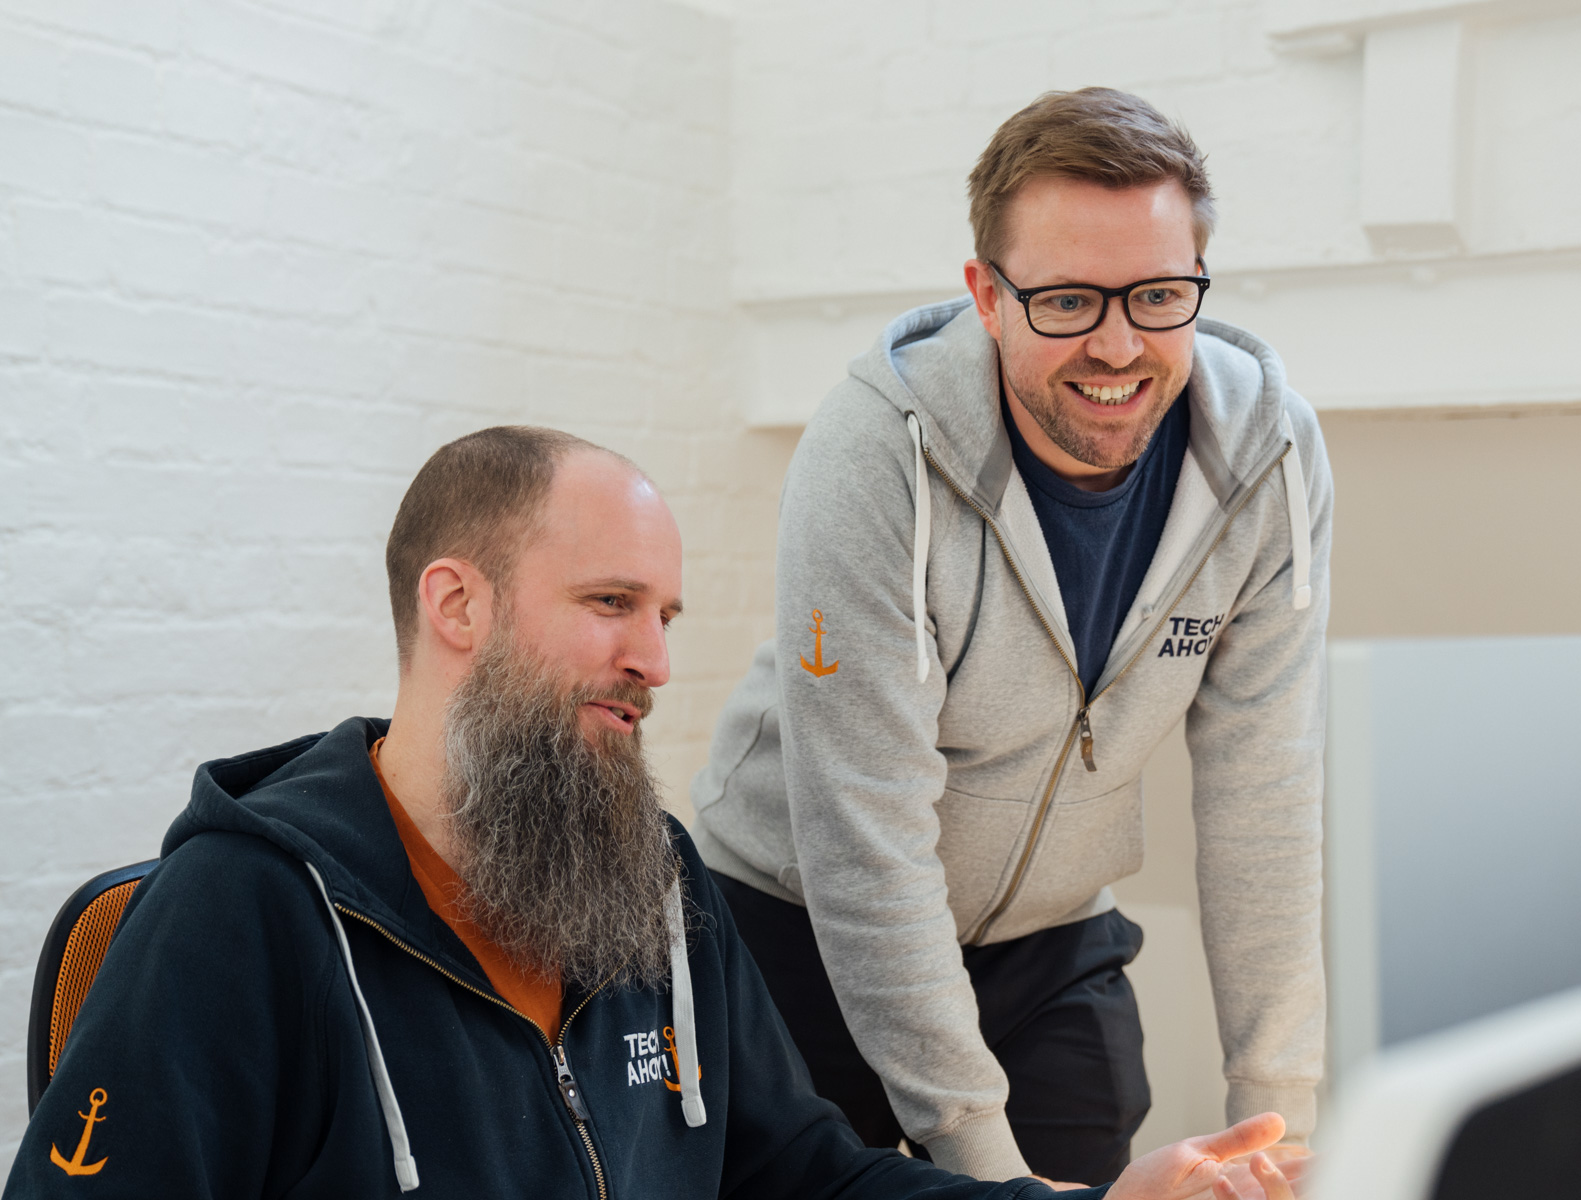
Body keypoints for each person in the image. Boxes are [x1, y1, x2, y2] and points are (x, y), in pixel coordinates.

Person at [5, 427, 1300, 1200]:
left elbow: (809, 1180)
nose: (657, 662)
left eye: (665, 618)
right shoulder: (244, 912)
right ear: (458, 608)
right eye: (612, 604)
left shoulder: (656, 883)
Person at [691, 87, 1331, 1185]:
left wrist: (1283, 1124)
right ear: (987, 295)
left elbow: (1262, 789)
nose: (1119, 345)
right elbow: (868, 841)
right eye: (1070, 300)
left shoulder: (1268, 455)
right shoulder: (875, 454)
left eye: (1160, 295)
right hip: (800, 919)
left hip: (1047, 932)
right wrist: (998, 1182)